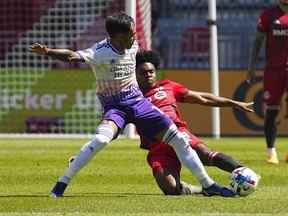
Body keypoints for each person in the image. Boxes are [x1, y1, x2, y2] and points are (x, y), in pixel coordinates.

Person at [29, 12, 235, 198]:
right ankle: (62, 183)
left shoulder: (133, 46)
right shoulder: (99, 52)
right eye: (131, 33)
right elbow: (72, 55)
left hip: (138, 102)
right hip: (114, 106)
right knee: (101, 140)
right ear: (118, 36)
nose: (135, 36)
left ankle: (208, 185)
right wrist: (48, 51)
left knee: (179, 139)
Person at [135, 50, 255, 195]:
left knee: (205, 154)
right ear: (135, 74)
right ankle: (198, 189)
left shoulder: (168, 87)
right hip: (157, 147)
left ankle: (244, 173)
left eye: (151, 71)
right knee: (171, 189)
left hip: (177, 132)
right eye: (143, 72)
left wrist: (233, 103)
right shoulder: (131, 98)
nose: (148, 75)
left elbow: (202, 98)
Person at [247, 0, 288, 164]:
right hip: (273, 71)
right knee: (271, 111)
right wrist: (251, 66)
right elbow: (257, 41)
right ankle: (271, 153)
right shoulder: (268, 15)